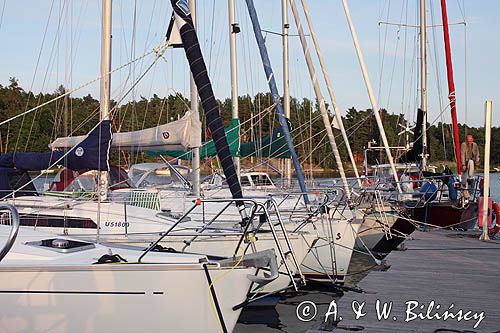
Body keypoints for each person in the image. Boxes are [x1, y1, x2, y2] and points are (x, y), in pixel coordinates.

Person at [460, 134, 480, 199]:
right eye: (468, 140)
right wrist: (463, 164)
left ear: (472, 140)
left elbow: (477, 154)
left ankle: (470, 178)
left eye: (470, 140)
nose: (469, 142)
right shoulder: (463, 145)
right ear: (466, 140)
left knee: (471, 162)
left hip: (472, 161)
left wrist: (477, 161)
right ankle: (466, 195)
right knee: (464, 180)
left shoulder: (475, 145)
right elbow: (462, 154)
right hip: (465, 162)